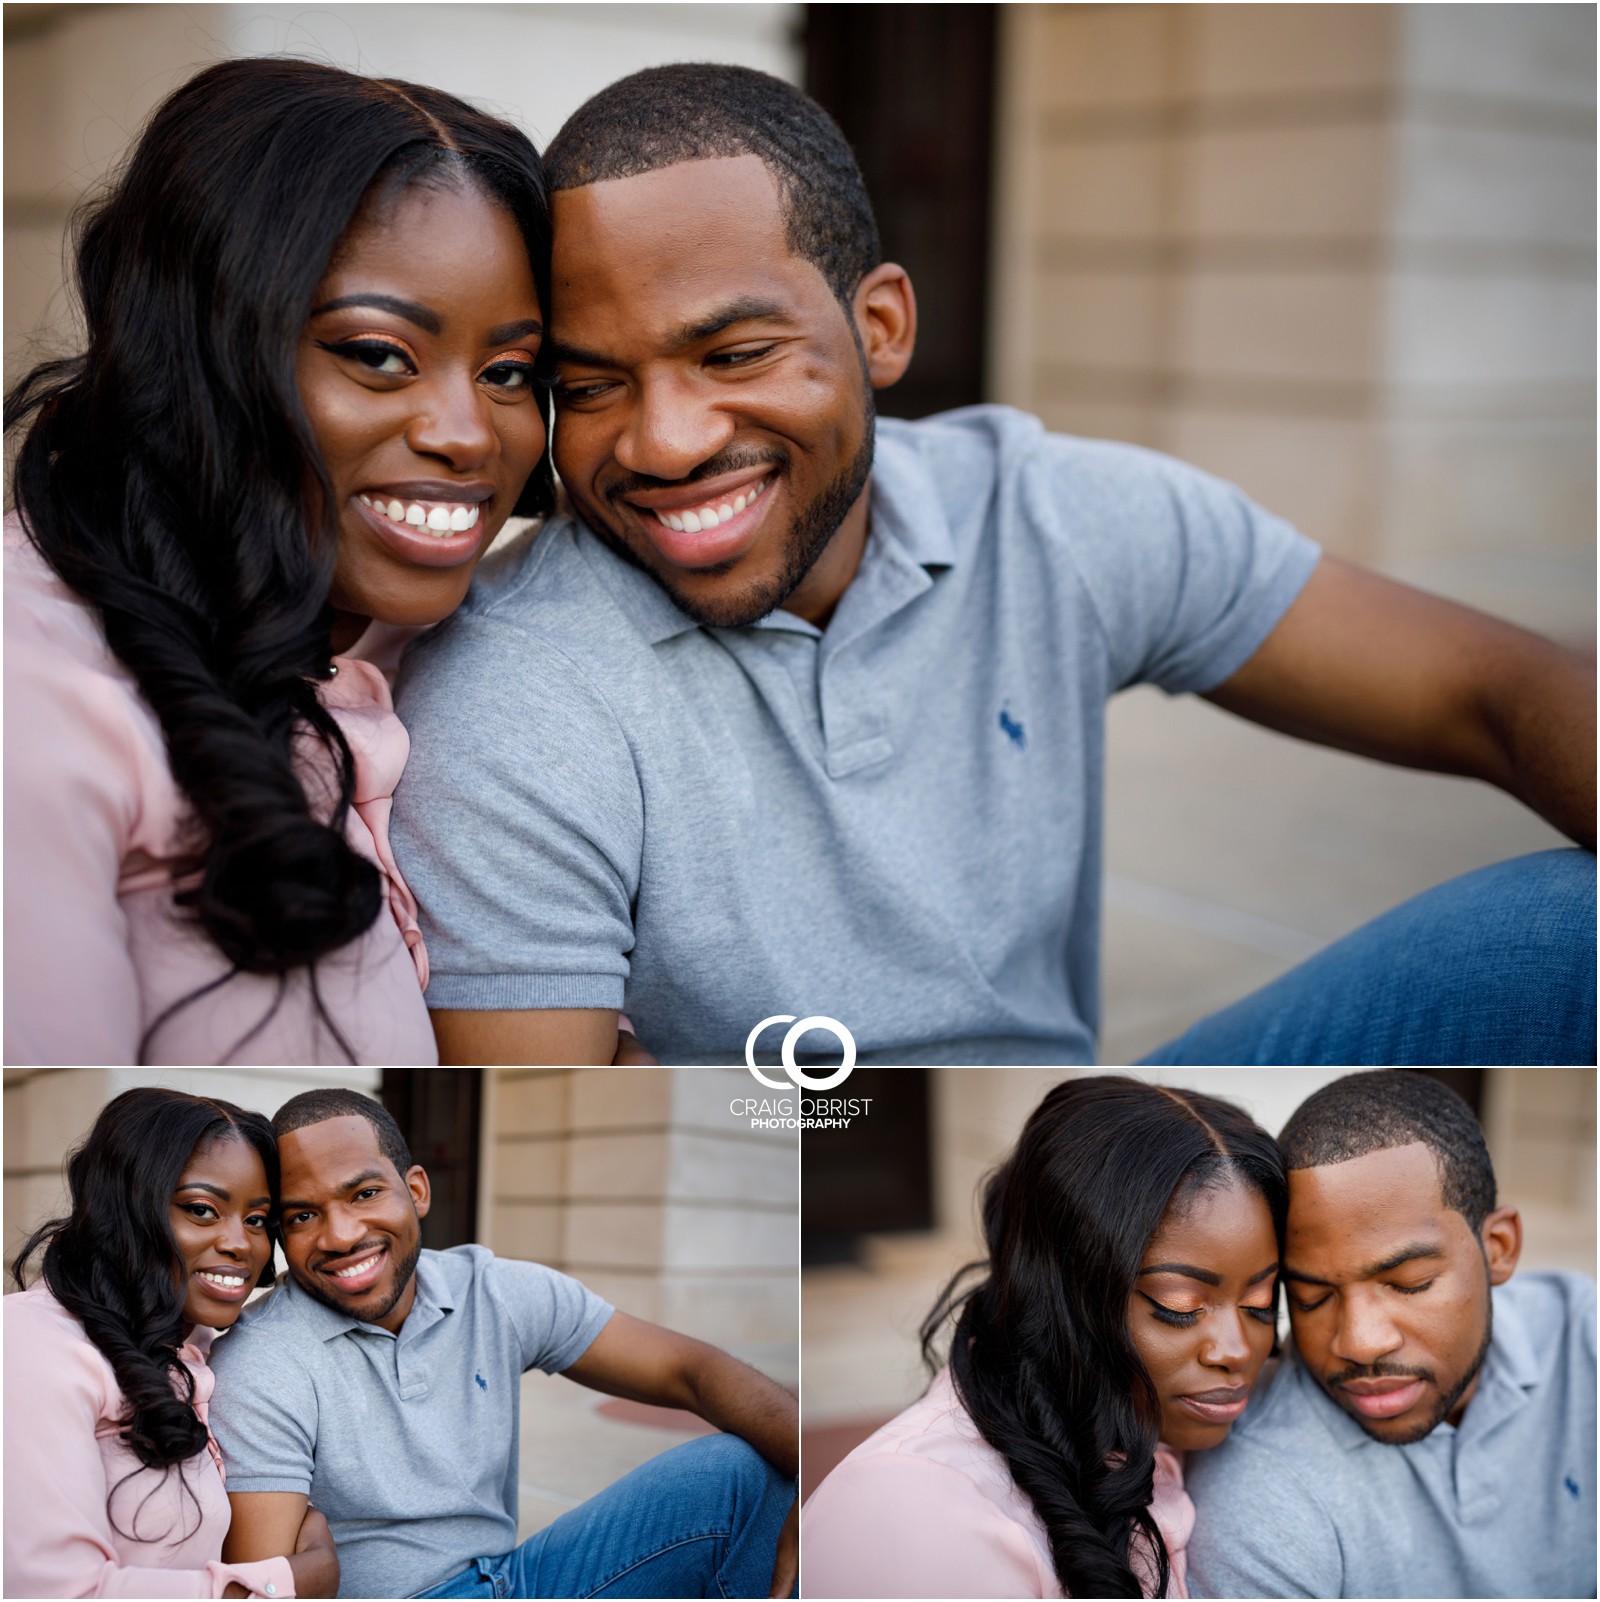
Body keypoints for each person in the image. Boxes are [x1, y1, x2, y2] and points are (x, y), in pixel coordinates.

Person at [388, 62, 1595, 1068]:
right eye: (590, 386)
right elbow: (568, 1115)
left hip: (1090, 1135)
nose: (664, 441)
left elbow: (1491, 690)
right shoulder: (512, 698)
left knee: (1563, 934)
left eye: (736, 354)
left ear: (881, 328)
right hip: (819, 1161)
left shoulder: (1045, 512)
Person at [4, 57, 552, 1065]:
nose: (471, 434)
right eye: (378, 353)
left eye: (511, 371)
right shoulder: (32, 696)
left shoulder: (432, 632)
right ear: (204, 350)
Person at [205, 1088, 796, 1599]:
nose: (340, 1235)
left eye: (363, 1194)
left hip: (513, 1580)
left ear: (417, 1190)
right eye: (303, 1216)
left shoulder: (489, 1290)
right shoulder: (264, 1361)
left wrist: (823, 1479)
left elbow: (689, 1370)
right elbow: (266, 1588)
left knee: (742, 1470)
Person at [803, 1075, 1286, 1599]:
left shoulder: (1161, 1430)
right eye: (1180, 1306)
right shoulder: (910, 1509)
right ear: (1063, 1292)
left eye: (1260, 1303)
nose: (1236, 1350)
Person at [1184, 1070, 1597, 1598]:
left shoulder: (1582, 1338)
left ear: (1498, 1248)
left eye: (1409, 1283)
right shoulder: (1261, 1498)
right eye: (1312, 1297)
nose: (1359, 1343)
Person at [3, 1086, 338, 1598]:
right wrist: (283, 1585)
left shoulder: (194, 1349)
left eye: (256, 1220)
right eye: (202, 1210)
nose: (239, 1243)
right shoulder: (32, 1346)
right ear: (127, 1209)